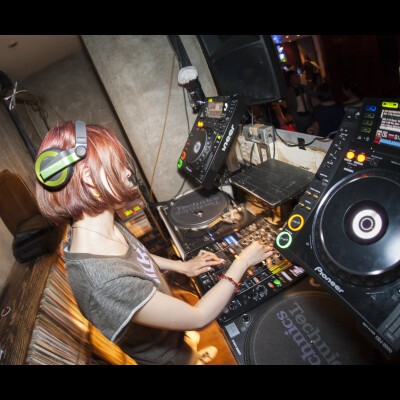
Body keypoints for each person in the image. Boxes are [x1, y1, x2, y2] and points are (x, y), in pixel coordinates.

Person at [35, 121, 273, 365]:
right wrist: (243, 261)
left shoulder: (96, 225)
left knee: (190, 344)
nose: (127, 172)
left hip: (171, 335)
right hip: (170, 359)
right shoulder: (104, 282)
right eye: (117, 164)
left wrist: (182, 266)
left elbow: (135, 256)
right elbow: (199, 316)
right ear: (89, 179)